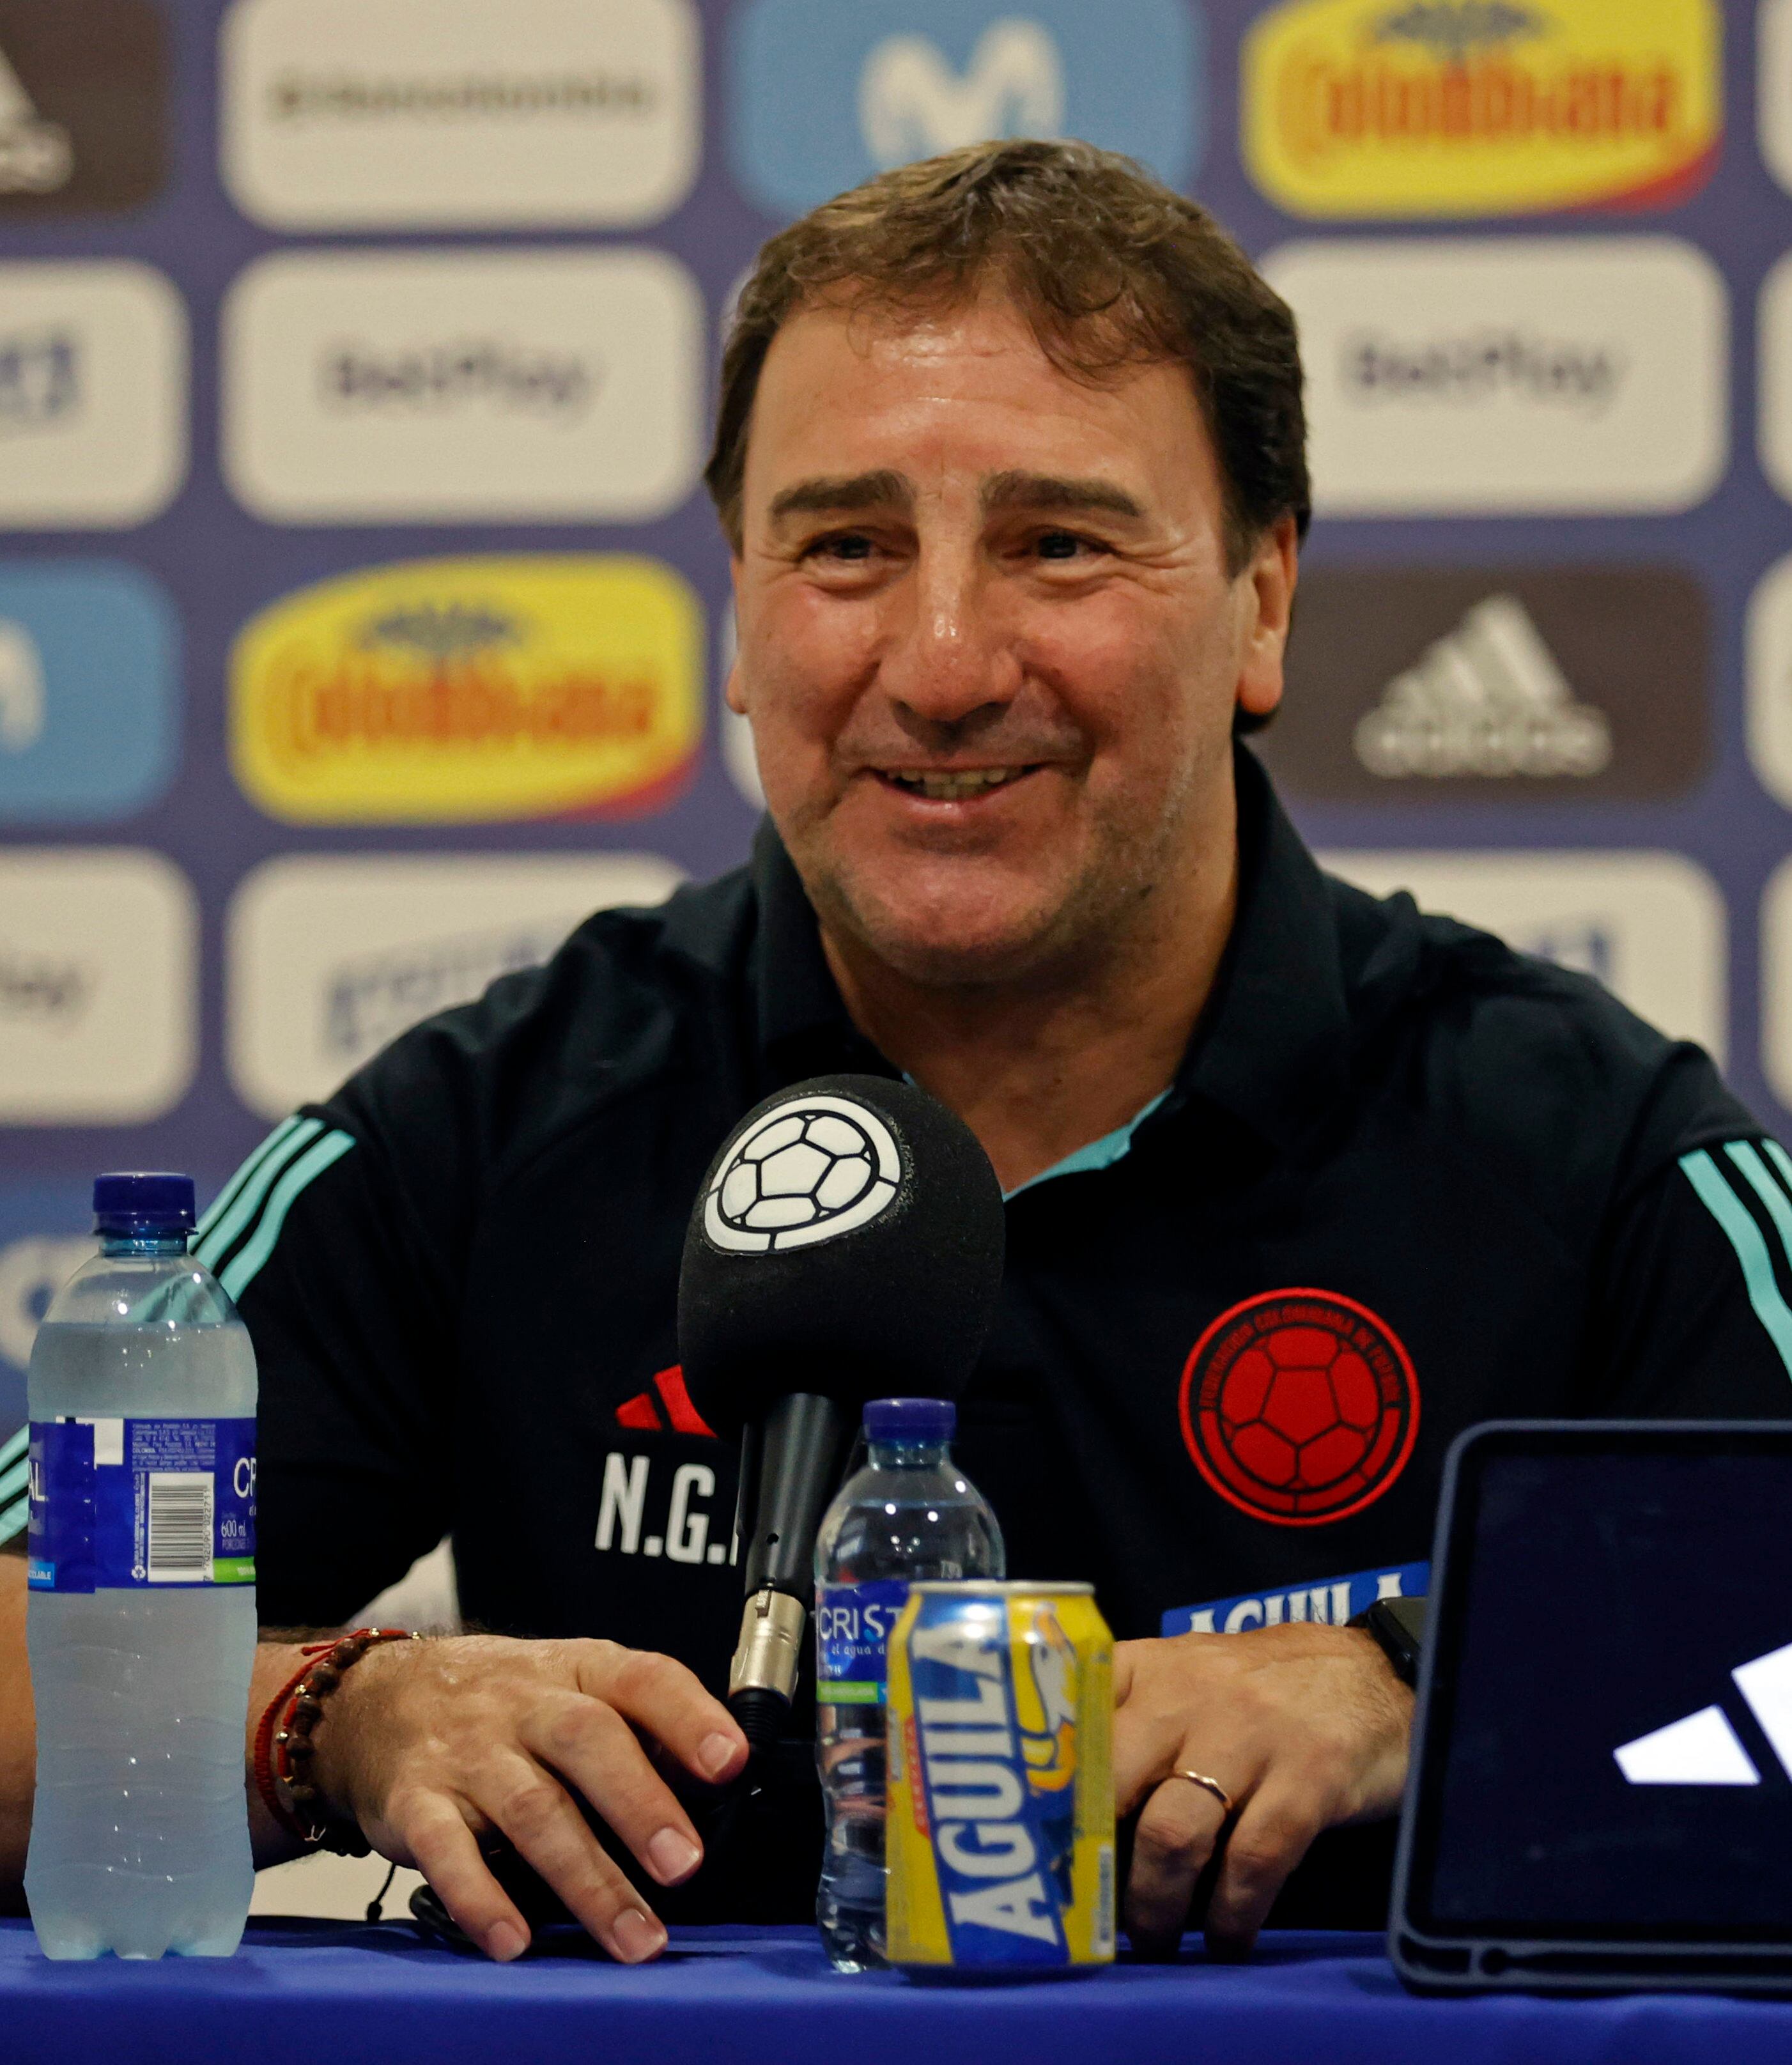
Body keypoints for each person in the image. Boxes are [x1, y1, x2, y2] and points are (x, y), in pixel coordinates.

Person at [3, 138, 1789, 1961]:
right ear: (737, 608)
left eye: (1057, 545)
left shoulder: (1587, 1146)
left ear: (1260, 601)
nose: (938, 662)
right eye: (845, 545)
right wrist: (330, 1723)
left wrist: (1419, 1679)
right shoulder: (496, 1119)